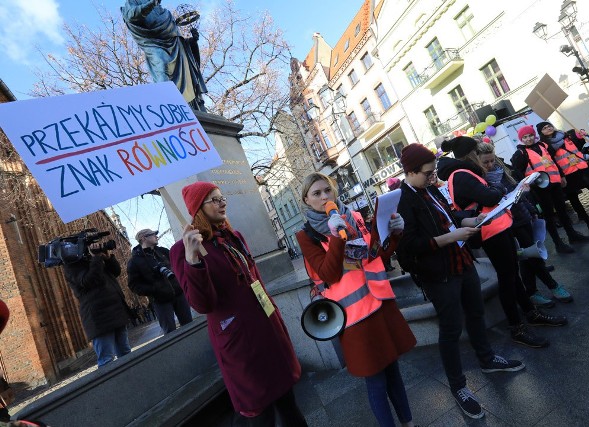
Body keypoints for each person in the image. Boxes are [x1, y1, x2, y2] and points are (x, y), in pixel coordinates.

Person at [395, 143, 524, 420]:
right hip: (439, 274)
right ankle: (458, 387)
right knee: (451, 330)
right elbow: (411, 246)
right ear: (411, 171)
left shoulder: (428, 189)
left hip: (462, 262)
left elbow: (446, 217)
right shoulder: (402, 200)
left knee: (475, 312)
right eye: (428, 173)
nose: (433, 178)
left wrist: (468, 219)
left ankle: (487, 359)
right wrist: (453, 236)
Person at [170, 182, 307, 427]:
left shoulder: (233, 236)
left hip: (267, 330)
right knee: (259, 414)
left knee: (289, 404)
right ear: (198, 207)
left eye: (222, 198)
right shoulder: (183, 249)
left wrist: (274, 316)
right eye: (214, 199)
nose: (222, 203)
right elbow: (202, 304)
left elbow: (255, 281)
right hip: (240, 343)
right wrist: (193, 262)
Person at [296, 172, 417, 427]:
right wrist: (336, 236)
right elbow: (328, 273)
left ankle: (408, 422)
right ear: (307, 200)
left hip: (380, 301)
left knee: (393, 371)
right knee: (376, 380)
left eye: (327, 190)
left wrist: (394, 234)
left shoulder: (356, 217)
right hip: (353, 317)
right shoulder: (306, 236)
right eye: (316, 194)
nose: (324, 197)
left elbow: (375, 255)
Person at [438, 137, 568, 347]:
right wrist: (500, 191)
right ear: (470, 154)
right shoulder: (461, 174)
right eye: (475, 151)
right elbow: (489, 197)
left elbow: (487, 196)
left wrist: (496, 193)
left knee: (512, 275)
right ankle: (517, 327)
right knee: (507, 279)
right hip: (491, 232)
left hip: (498, 228)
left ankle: (530, 313)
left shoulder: (464, 173)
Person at [476, 141, 573, 307]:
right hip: (507, 223)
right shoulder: (480, 180)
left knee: (527, 257)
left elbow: (518, 192)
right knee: (530, 255)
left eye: (492, 160)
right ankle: (553, 286)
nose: (490, 165)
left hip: (522, 216)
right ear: (476, 160)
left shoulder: (503, 171)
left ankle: (532, 291)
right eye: (485, 162)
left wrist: (531, 210)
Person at [511, 125, 589, 253]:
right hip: (540, 188)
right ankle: (558, 243)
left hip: (554, 183)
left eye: (530, 136)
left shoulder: (542, 146)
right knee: (549, 216)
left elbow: (553, 162)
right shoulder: (520, 153)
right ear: (521, 139)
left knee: (562, 211)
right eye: (525, 137)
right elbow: (518, 173)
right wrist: (528, 184)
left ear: (534, 135)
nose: (528, 139)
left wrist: (562, 176)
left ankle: (572, 235)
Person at [121, 0, 207, 111]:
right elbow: (130, 15)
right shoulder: (133, 2)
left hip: (177, 47)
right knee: (161, 63)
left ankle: (193, 108)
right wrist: (151, 4)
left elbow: (177, 37)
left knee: (188, 77)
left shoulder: (166, 13)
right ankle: (167, 106)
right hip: (153, 43)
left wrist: (192, 42)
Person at [63, 244, 131, 368]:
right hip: (99, 317)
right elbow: (90, 280)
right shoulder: (72, 265)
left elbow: (116, 272)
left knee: (126, 353)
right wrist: (96, 259)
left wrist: (108, 258)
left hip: (116, 311)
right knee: (107, 360)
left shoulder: (95, 260)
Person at [128, 229, 193, 335]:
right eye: (153, 234)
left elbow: (179, 266)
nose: (156, 236)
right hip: (161, 301)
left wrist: (181, 282)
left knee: (190, 327)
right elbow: (133, 285)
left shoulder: (163, 251)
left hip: (179, 295)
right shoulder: (135, 261)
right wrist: (155, 290)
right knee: (170, 334)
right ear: (143, 238)